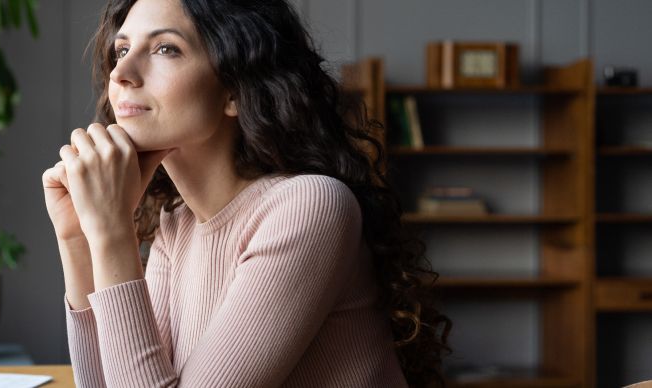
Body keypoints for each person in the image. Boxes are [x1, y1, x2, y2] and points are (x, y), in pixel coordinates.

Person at [40, 0, 452, 386]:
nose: (121, 73)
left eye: (166, 49)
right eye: (122, 49)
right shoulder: (178, 224)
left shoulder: (309, 207)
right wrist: (78, 239)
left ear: (235, 89)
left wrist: (112, 232)